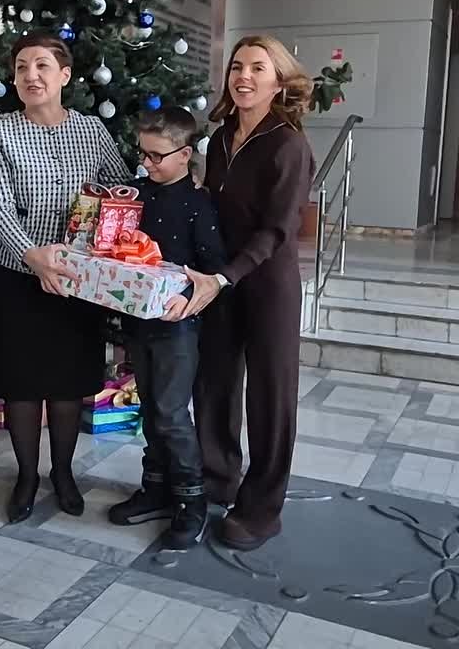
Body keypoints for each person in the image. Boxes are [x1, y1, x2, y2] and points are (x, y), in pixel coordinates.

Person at [0, 33, 134, 524]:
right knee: (21, 384)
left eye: (42, 65)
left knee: (69, 383)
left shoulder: (91, 130)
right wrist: (34, 257)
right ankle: (26, 476)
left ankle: (63, 473)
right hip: (14, 278)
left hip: (77, 280)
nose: (31, 75)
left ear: (64, 75)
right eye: (22, 67)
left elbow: (120, 189)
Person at [179, 35, 317, 551]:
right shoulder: (220, 139)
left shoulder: (288, 145)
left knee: (270, 398)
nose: (244, 76)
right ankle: (217, 479)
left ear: (279, 81)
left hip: (267, 286)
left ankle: (262, 508)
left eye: (259, 68)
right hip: (220, 281)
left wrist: (225, 276)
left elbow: (278, 228)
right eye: (238, 66)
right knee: (213, 385)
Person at [106, 108, 225, 549]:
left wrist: (187, 296)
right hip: (138, 322)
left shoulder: (198, 204)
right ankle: (154, 489)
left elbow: (212, 267)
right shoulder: (134, 195)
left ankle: (192, 501)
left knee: (172, 413)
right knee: (151, 409)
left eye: (157, 156)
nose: (147, 163)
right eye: (143, 154)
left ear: (185, 154)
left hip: (178, 327)